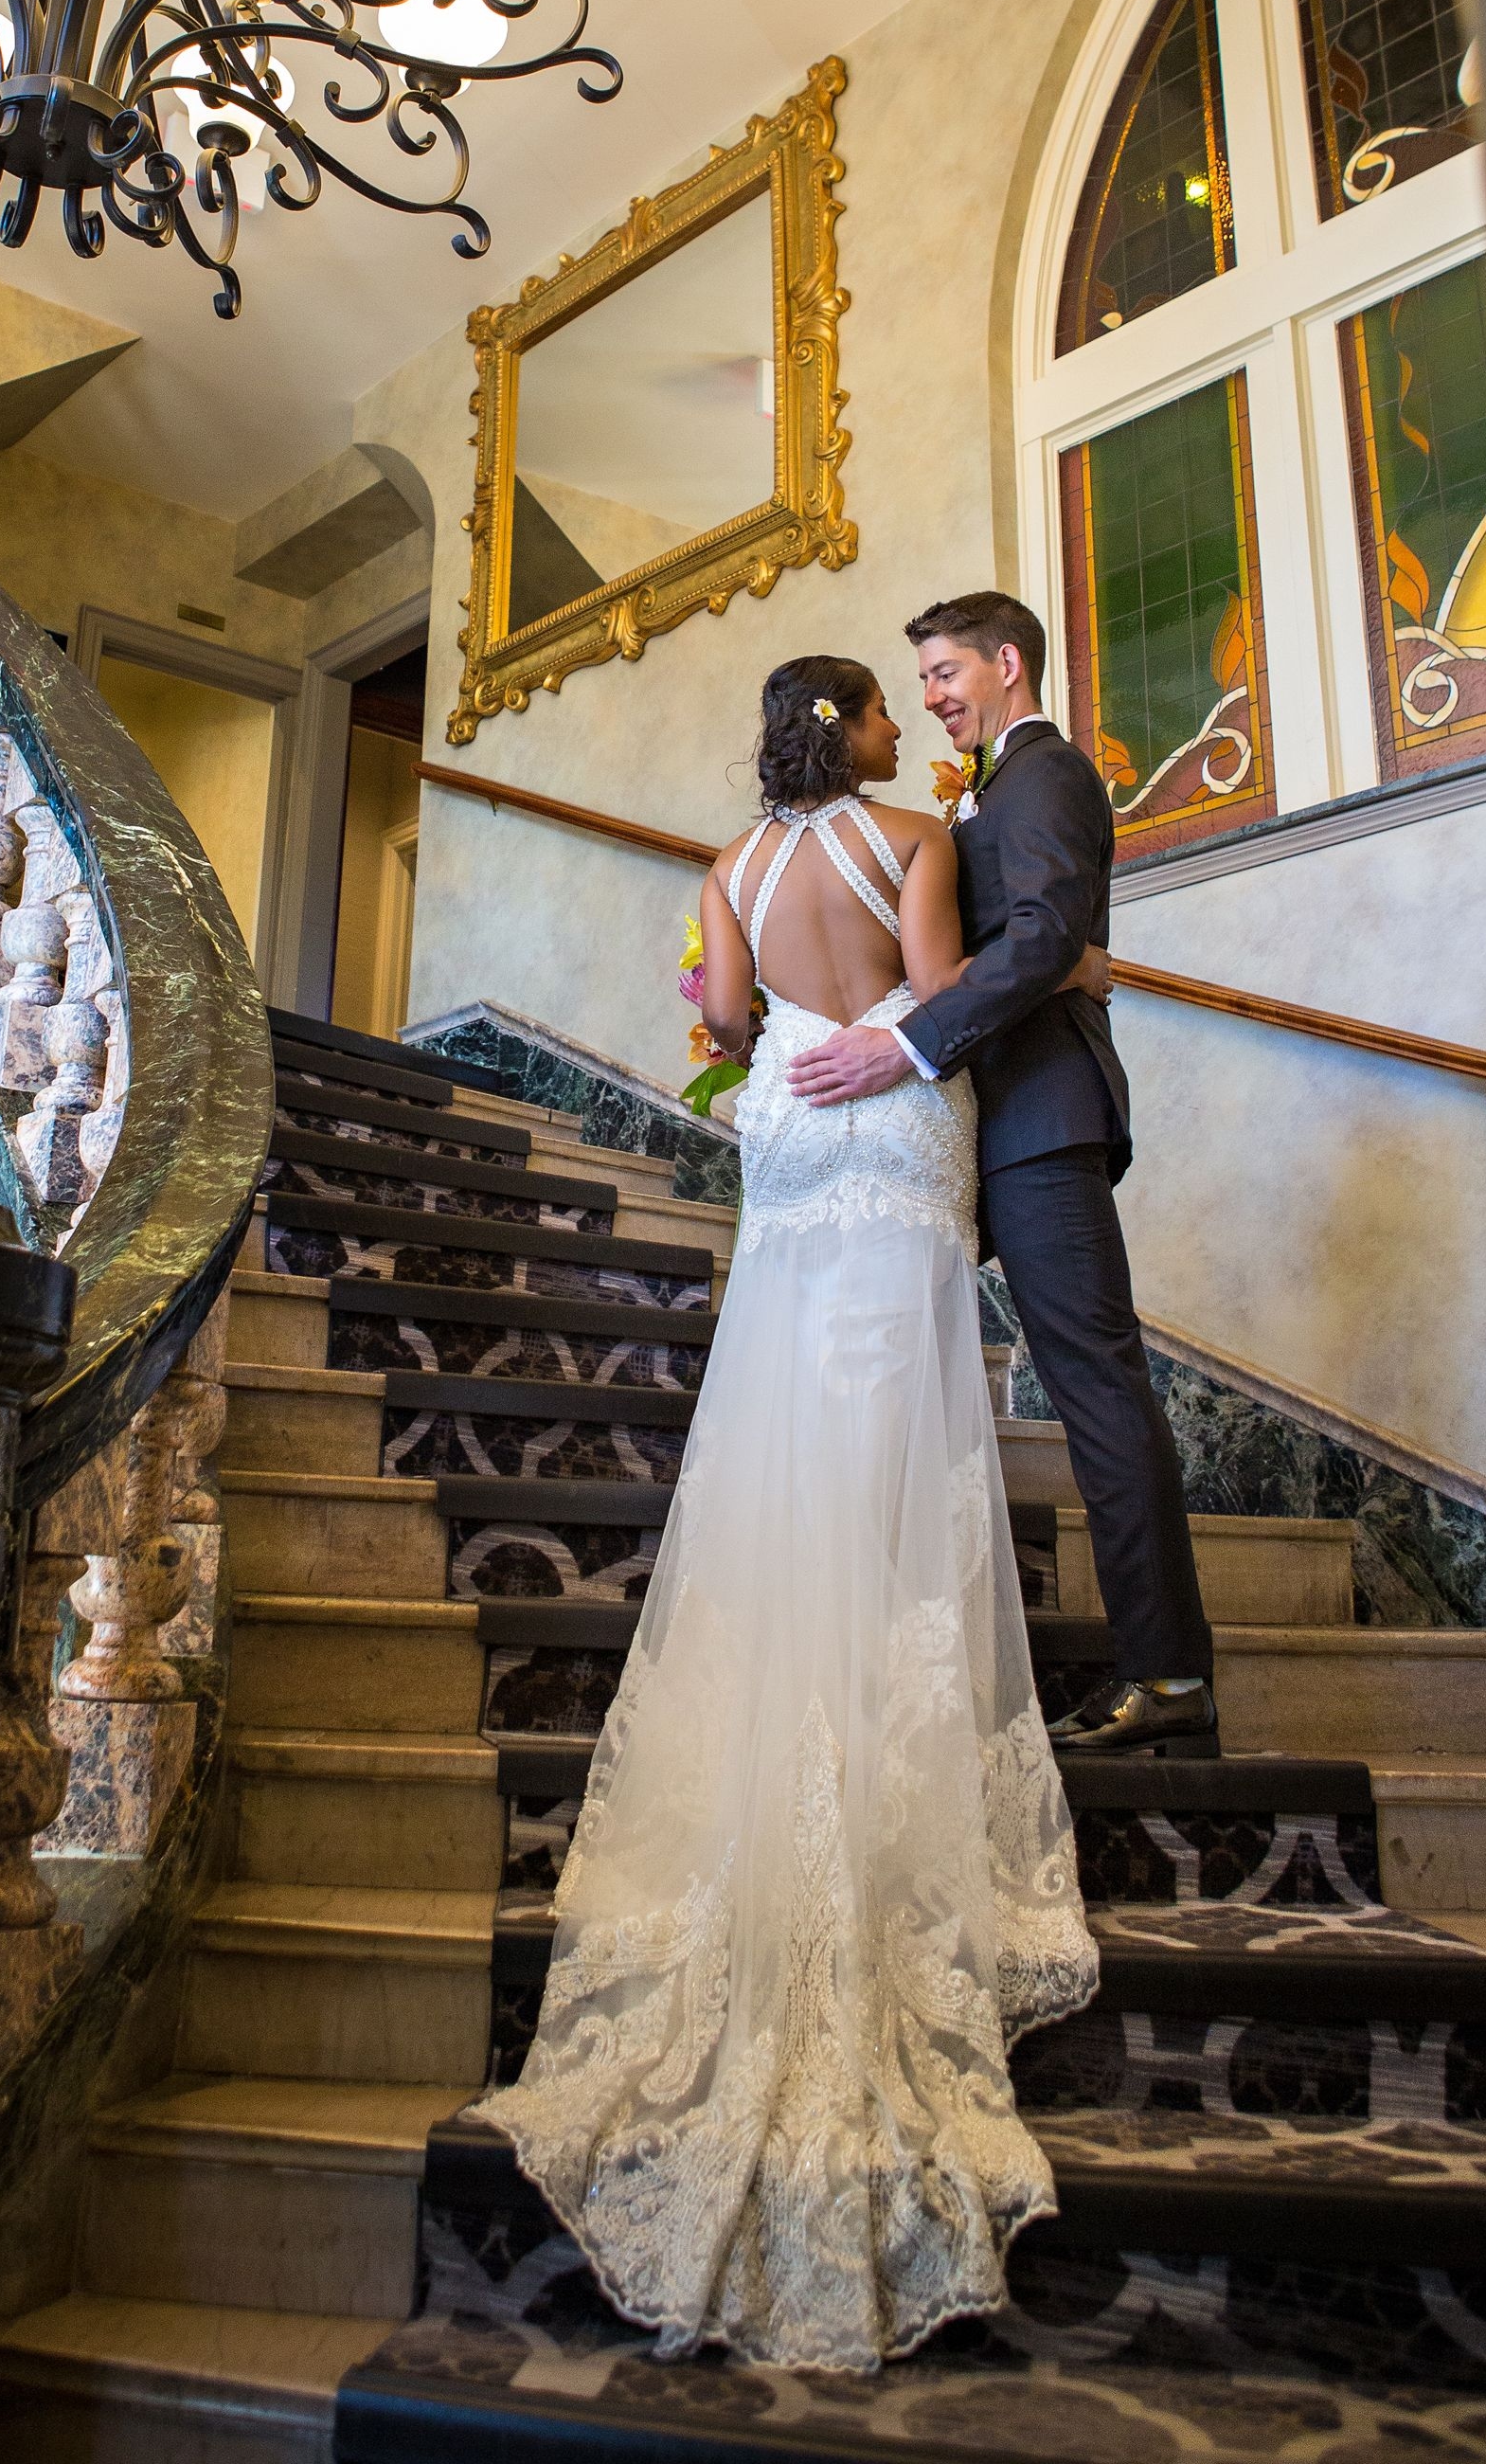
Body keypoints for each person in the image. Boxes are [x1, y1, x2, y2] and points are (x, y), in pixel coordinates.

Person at [474, 657, 1100, 2370]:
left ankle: (777, 1723)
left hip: (785, 1152)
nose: (908, 724)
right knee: (901, 1439)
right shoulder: (911, 835)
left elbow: (731, 1032)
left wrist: (745, 1008)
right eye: (885, 708)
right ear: (850, 729)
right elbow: (933, 994)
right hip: (887, 1135)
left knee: (779, 1424)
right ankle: (887, 1726)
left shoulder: (726, 870)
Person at [787, 592, 1215, 1754]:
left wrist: (903, 1042)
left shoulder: (1046, 774)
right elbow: (1037, 940)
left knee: (1095, 1385)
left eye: (943, 673)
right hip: (1010, 1116)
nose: (930, 698)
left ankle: (1171, 1680)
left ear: (1007, 665)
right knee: (1087, 1381)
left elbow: (1039, 935)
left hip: (1042, 1122)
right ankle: (1166, 1672)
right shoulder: (996, 786)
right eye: (919, 681)